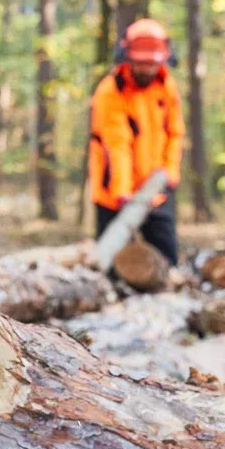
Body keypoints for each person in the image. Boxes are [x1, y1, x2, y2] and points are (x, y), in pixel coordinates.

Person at [88, 18, 184, 265]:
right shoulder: (111, 92)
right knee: (110, 265)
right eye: (140, 64)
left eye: (151, 64)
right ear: (127, 57)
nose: (146, 70)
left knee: (167, 260)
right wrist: (122, 190)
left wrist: (170, 170)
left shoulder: (166, 86)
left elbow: (175, 132)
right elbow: (116, 144)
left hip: (155, 190)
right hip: (114, 193)